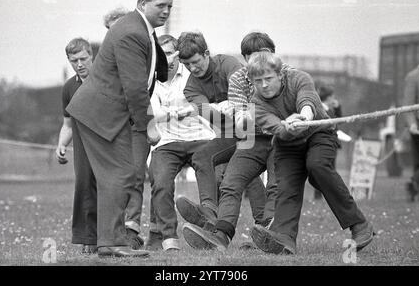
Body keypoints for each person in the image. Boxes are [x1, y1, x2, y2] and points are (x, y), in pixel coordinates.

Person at [65, 0, 173, 258]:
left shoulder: (140, 29)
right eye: (161, 5)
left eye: (169, 6)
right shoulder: (131, 31)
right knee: (121, 173)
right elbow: (135, 88)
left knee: (108, 175)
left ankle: (101, 240)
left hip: (97, 113)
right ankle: (111, 242)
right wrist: (149, 126)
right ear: (143, 2)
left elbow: (151, 72)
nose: (166, 11)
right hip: (100, 115)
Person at [247, 51, 374, 255]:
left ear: (280, 75)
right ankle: (284, 238)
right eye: (258, 81)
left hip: (318, 134)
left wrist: (303, 117)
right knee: (286, 186)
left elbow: (308, 101)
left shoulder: (300, 78)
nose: (264, 85)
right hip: (287, 144)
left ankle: (360, 225)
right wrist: (287, 127)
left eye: (268, 78)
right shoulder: (255, 104)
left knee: (317, 167)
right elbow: (277, 128)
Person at [180, 32, 283, 251]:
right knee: (204, 158)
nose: (192, 68)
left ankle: (267, 227)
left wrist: (232, 106)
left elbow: (250, 90)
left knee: (254, 176)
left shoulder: (227, 64)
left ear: (206, 54)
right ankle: (209, 213)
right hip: (233, 131)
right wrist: (222, 109)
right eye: (186, 64)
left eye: (196, 62)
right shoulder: (190, 87)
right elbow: (214, 116)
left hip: (262, 131)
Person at [146, 34, 216, 251]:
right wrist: (178, 112)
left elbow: (201, 104)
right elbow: (154, 112)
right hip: (167, 141)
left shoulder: (192, 74)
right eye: (160, 54)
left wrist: (172, 112)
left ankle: (209, 225)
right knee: (160, 181)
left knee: (211, 171)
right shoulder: (150, 81)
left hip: (200, 137)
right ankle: (168, 238)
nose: (165, 59)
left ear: (177, 54)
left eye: (169, 53)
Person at [55, 38, 97, 254]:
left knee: (112, 189)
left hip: (107, 144)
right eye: (74, 60)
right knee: (84, 188)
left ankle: (114, 237)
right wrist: (61, 144)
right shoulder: (69, 87)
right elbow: (67, 124)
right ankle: (88, 238)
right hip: (82, 146)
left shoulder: (105, 80)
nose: (79, 64)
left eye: (83, 58)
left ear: (92, 56)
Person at [403, 48, 419, 202]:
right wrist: (412, 124)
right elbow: (408, 104)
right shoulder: (413, 77)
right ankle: (416, 188)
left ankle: (415, 185)